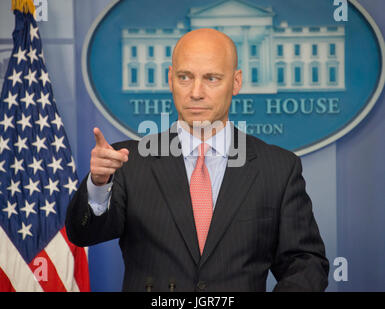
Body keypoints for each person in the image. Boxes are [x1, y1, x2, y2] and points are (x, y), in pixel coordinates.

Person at [65, 28, 329, 292]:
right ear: (170, 79)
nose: (196, 92)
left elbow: (305, 263)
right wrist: (99, 185)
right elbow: (84, 234)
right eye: (185, 77)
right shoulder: (127, 161)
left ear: (236, 82)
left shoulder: (278, 168)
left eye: (212, 78)